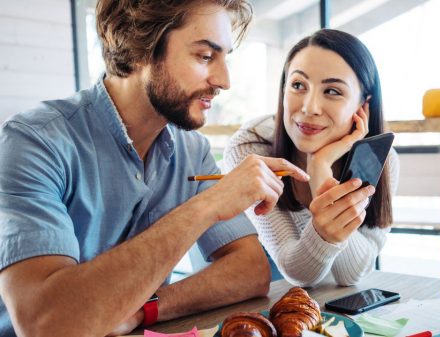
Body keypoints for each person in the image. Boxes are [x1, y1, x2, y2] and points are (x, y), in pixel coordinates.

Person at [0, 1, 310, 336]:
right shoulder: (34, 143)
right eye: (205, 56)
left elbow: (249, 270)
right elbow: (47, 324)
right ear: (138, 48)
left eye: (224, 58)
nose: (224, 80)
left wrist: (145, 309)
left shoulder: (192, 150)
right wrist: (208, 205)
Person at [223, 29, 399, 287]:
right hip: (250, 291)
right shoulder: (251, 148)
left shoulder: (382, 160)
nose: (309, 107)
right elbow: (297, 273)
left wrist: (320, 171)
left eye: (332, 91)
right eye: (298, 85)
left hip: (322, 301)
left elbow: (352, 275)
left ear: (363, 106)